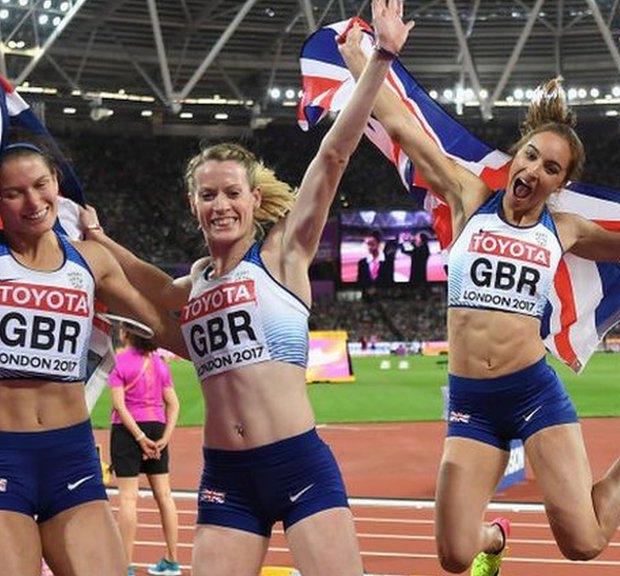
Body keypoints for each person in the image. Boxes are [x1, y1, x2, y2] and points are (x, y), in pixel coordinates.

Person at [338, 26, 620, 575]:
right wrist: (369, 59)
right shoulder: (468, 196)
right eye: (530, 157)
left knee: (585, 543)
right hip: (470, 402)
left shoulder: (566, 228)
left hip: (532, 392)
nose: (533, 171)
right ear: (517, 155)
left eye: (550, 168)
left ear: (560, 182)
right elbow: (403, 125)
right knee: (455, 555)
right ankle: (494, 541)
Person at [79, 3, 412, 574]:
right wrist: (99, 237)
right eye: (208, 195)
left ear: (254, 199)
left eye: (232, 192)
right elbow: (155, 286)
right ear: (194, 206)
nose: (221, 204)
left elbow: (333, 156)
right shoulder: (196, 281)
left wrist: (380, 59)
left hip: (297, 463)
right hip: (226, 476)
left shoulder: (283, 253)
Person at [0, 137, 177, 576]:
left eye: (41, 184)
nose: (33, 201)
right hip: (0, 463)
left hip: (71, 460)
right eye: (14, 192)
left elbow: (162, 319)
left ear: (57, 182)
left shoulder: (90, 261)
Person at [108, 331, 181, 576]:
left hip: (128, 431)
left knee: (128, 499)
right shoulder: (159, 362)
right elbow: (174, 403)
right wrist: (164, 438)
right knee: (165, 495)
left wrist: (139, 437)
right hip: (157, 428)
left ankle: (125, 566)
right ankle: (172, 560)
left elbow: (119, 405)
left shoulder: (119, 361)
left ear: (125, 333)